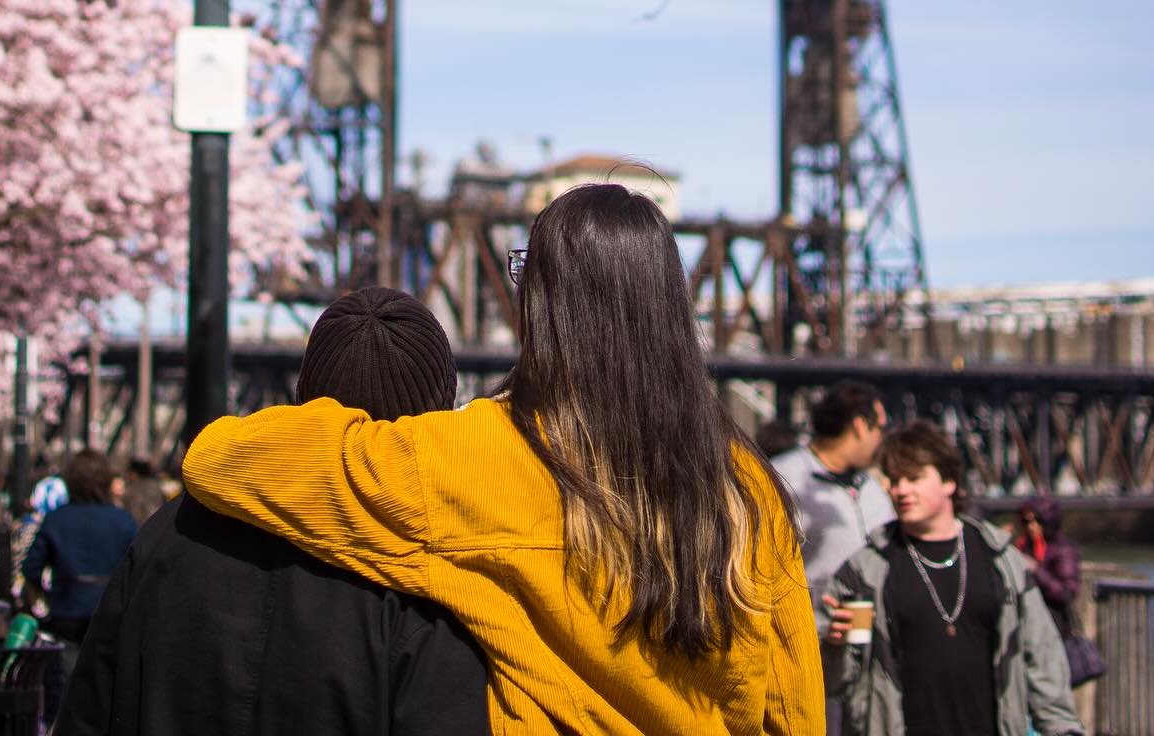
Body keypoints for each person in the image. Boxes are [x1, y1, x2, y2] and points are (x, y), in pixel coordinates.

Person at [183, 183, 824, 736]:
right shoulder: (747, 487)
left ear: (539, 304)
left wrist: (343, 408)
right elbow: (792, 708)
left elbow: (222, 459)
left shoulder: (476, 457)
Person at [57, 287, 490, 736]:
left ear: (305, 395)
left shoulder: (171, 533)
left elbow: (90, 713)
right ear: (438, 413)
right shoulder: (431, 566)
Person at [823, 420, 1082, 736]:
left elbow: (1042, 655)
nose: (901, 490)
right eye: (893, 480)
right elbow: (830, 682)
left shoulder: (1000, 559)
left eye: (914, 478)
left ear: (949, 482)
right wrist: (833, 646)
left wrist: (1063, 729)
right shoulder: (865, 569)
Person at [23, 448, 136, 713]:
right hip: (111, 612)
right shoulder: (123, 521)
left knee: (66, 686)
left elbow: (31, 569)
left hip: (67, 608)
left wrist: (43, 597)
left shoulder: (57, 519)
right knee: (106, 687)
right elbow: (138, 569)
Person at [773, 382, 894, 628]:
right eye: (880, 429)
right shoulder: (786, 477)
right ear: (860, 426)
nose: (883, 439)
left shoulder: (870, 484)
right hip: (814, 638)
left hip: (873, 635)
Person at [1015, 495, 1081, 643]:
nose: (1032, 526)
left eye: (1038, 521)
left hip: (1055, 630)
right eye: (1026, 521)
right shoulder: (1023, 546)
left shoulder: (1063, 549)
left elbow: (1067, 592)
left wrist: (1037, 571)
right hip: (1027, 626)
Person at [119, 458, 166, 527]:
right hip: (159, 527)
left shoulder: (131, 490)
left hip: (141, 530)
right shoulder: (157, 487)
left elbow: (133, 516)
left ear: (133, 473)